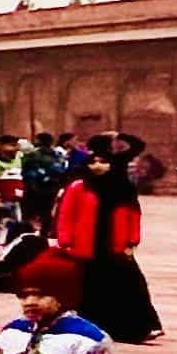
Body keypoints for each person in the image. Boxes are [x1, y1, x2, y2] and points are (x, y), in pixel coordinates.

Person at [51, 143, 162, 342]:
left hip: (115, 246)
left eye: (103, 162)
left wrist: (132, 241)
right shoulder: (78, 187)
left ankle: (133, 329)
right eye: (93, 162)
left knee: (127, 287)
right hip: (86, 246)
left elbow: (133, 215)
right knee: (91, 289)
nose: (97, 166)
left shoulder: (123, 188)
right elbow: (66, 214)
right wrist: (65, 239)